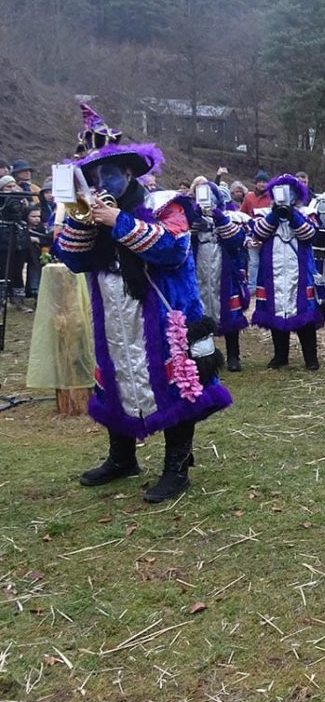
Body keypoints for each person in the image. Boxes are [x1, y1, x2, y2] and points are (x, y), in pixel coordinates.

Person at [52, 106, 232, 503]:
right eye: (93, 177)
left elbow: (171, 248)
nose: (102, 183)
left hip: (165, 313)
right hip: (113, 314)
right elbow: (74, 259)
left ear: (130, 173)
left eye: (109, 174)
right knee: (116, 380)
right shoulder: (87, 213)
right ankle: (122, 458)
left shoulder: (169, 203)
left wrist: (118, 220)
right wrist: (81, 219)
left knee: (175, 386)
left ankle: (177, 468)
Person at [250, 174, 324, 370]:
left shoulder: (307, 213)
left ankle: (311, 358)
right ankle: (280, 355)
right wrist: (275, 214)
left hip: (298, 272)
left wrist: (293, 215)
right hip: (272, 271)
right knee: (275, 310)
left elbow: (310, 236)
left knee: (304, 313)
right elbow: (258, 233)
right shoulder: (264, 214)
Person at [191, 179, 250, 372]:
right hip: (199, 268)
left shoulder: (228, 217)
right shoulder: (190, 217)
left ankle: (234, 356)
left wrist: (218, 218)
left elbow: (237, 240)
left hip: (222, 269)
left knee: (229, 313)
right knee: (200, 313)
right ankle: (204, 357)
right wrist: (192, 225)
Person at [0, 174, 32, 312]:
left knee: (17, 271)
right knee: (2, 271)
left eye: (14, 186)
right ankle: (1, 301)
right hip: (3, 237)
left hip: (19, 237)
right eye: (8, 186)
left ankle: (18, 301)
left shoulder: (21, 199)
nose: (12, 189)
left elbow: (27, 215)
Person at [241, 169, 273, 290]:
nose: (262, 184)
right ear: (256, 183)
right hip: (252, 232)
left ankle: (265, 285)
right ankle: (252, 286)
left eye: (264, 181)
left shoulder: (271, 197)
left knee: (266, 260)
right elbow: (242, 213)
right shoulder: (249, 197)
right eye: (260, 181)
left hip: (267, 233)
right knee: (253, 261)